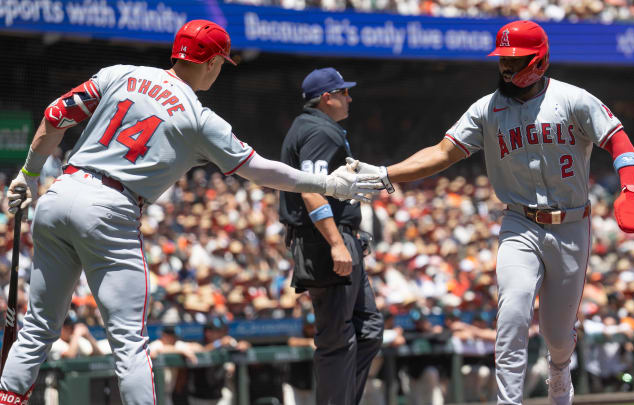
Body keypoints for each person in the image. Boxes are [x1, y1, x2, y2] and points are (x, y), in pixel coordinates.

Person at [0, 20, 381, 405]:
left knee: (36, 328)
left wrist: (29, 174)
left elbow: (55, 113)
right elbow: (263, 170)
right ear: (212, 62)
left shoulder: (121, 73)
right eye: (221, 63)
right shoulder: (198, 118)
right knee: (129, 341)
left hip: (60, 190)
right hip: (110, 207)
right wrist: (329, 185)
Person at [348, 20, 634, 405]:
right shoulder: (486, 109)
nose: (506, 68)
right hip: (519, 222)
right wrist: (388, 173)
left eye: (515, 60)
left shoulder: (573, 99)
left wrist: (630, 187)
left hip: (571, 226)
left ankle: (560, 375)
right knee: (513, 314)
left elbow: (620, 140)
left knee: (557, 335)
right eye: (503, 60)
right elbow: (442, 153)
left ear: (539, 62)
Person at [278, 67, 384, 405]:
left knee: (368, 331)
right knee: (337, 340)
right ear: (327, 98)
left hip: (338, 237)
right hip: (325, 240)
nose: (349, 97)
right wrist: (337, 243)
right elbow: (311, 191)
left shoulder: (319, 128)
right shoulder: (318, 130)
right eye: (343, 92)